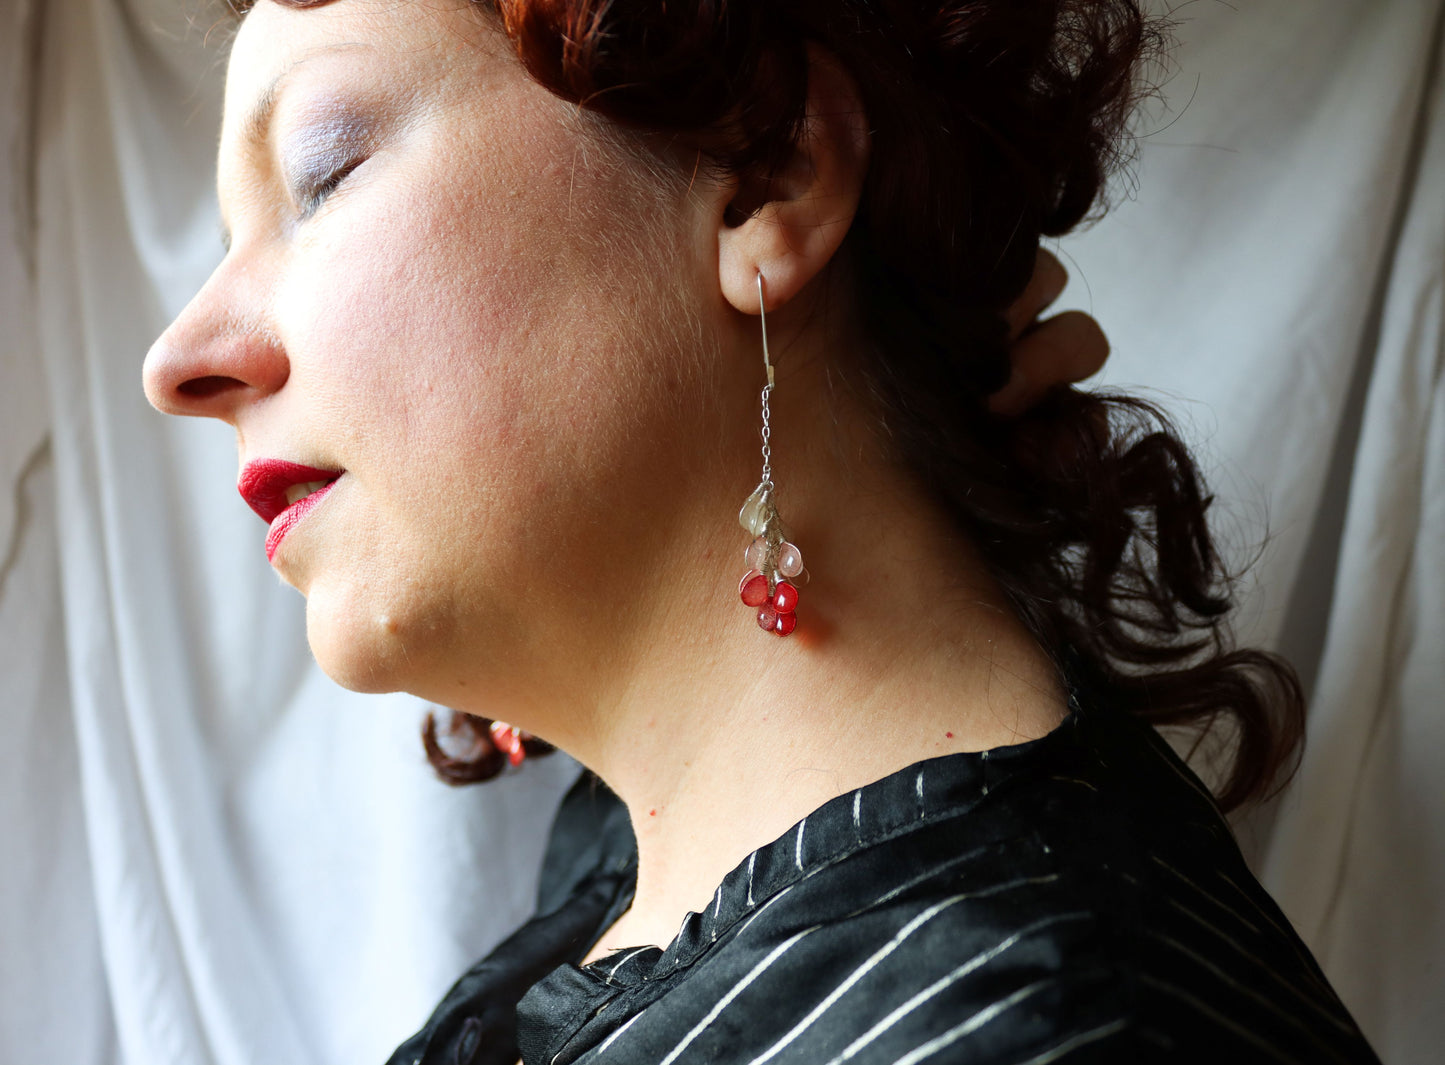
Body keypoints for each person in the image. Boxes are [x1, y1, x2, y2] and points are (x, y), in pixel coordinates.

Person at [141, 0, 1382, 1062]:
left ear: (767, 175)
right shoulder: (651, 861)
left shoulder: (1025, 1024)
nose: (177, 359)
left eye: (323, 172)